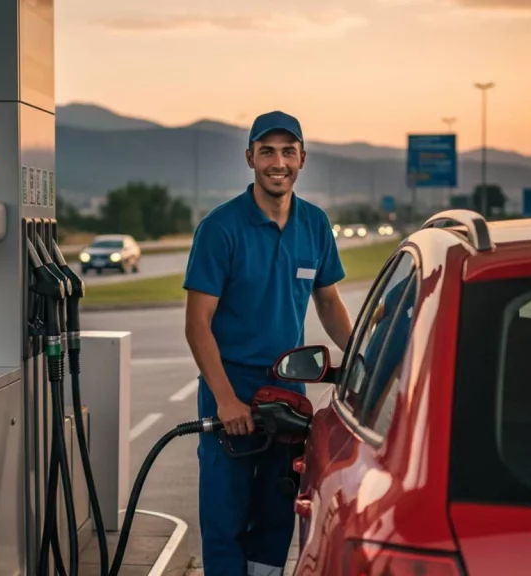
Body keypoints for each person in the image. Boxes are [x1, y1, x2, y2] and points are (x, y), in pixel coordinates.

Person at [183, 110, 354, 576]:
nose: (277, 162)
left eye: (287, 151)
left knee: (278, 515)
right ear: (250, 158)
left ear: (302, 158)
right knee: (225, 518)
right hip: (230, 389)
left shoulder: (315, 224)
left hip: (288, 390)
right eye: (267, 152)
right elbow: (198, 324)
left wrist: (363, 356)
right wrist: (224, 400)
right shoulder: (221, 228)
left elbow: (329, 303)